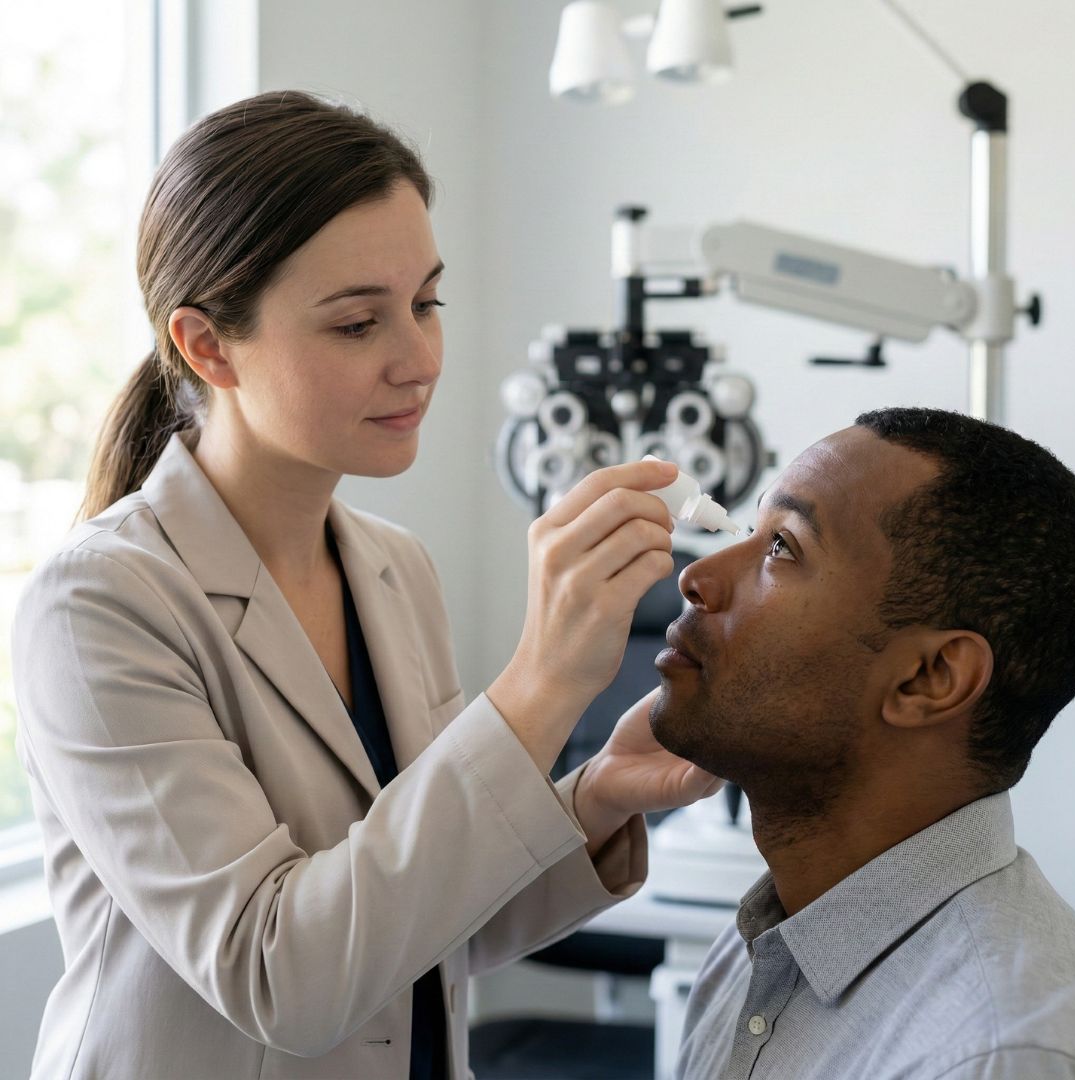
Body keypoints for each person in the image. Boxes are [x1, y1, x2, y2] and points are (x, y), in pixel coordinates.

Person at [11, 90, 722, 1080]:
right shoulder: (98, 610)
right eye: (356, 325)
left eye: (427, 303)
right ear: (207, 345)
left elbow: (411, 932)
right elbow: (286, 978)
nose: (419, 358)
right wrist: (542, 684)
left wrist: (597, 796)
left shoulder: (393, 569)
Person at [652, 407, 1075, 1080]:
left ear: (928, 678)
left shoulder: (994, 1055)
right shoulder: (759, 952)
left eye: (781, 548)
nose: (694, 578)